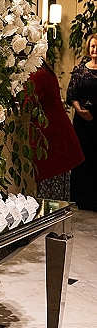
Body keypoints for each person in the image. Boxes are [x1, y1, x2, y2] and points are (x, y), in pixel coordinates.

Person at [29, 61, 84, 200]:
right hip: (57, 134)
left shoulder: (37, 74)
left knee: (49, 197)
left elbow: (29, 103)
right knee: (58, 193)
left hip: (50, 138)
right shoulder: (44, 71)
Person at [66, 33, 97, 210]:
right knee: (82, 159)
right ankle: (81, 199)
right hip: (83, 122)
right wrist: (79, 110)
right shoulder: (79, 70)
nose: (95, 49)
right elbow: (71, 94)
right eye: (92, 46)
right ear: (88, 48)